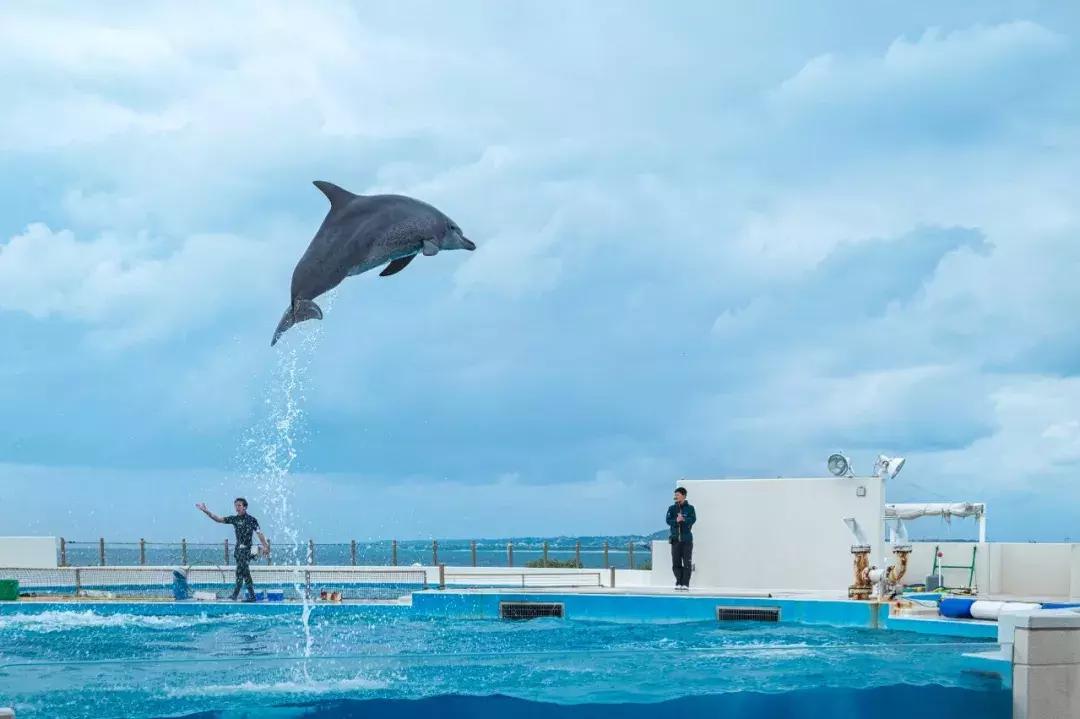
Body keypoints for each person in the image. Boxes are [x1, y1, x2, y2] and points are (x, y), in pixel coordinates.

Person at [195, 498, 270, 601]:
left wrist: (265, 546)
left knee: (242, 571)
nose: (237, 508)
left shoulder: (252, 520)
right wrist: (206, 511)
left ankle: (242, 595)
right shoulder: (234, 519)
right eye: (236, 505)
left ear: (245, 507)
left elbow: (259, 533)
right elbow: (218, 519)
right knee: (241, 571)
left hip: (247, 550)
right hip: (238, 550)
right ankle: (243, 595)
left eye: (239, 505)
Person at [666, 487, 696, 590]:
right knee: (676, 562)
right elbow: (668, 520)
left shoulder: (690, 508)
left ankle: (685, 584)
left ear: (683, 495)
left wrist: (683, 519)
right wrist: (676, 520)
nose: (675, 497)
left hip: (687, 540)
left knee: (687, 563)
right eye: (675, 495)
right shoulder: (671, 508)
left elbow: (693, 519)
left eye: (677, 495)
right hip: (675, 540)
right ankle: (678, 582)